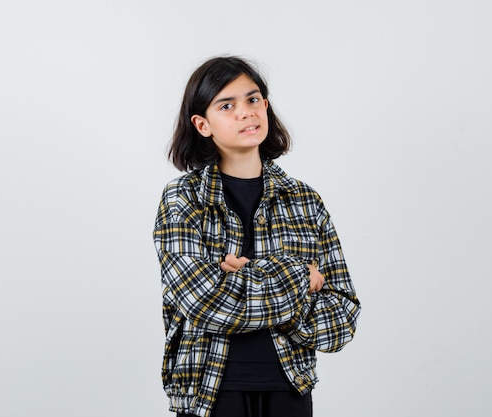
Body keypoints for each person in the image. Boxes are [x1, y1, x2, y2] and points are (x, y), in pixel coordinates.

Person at [152, 56, 361, 417]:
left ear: (266, 106)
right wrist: (298, 278)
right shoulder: (183, 198)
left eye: (253, 99)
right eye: (227, 105)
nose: (246, 113)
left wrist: (242, 279)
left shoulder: (305, 200)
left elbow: (342, 318)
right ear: (203, 125)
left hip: (289, 390)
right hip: (209, 392)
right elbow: (203, 303)